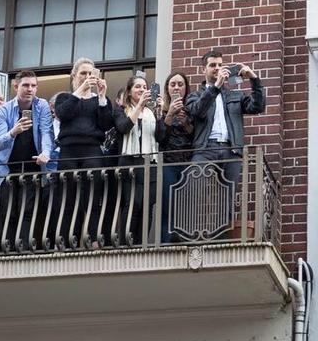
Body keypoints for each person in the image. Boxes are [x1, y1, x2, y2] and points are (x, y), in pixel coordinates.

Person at [53, 58, 115, 247]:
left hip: (92, 149)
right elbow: (64, 114)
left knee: (92, 196)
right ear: (74, 75)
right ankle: (62, 240)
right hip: (69, 150)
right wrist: (80, 91)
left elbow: (105, 125)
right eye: (83, 73)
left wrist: (103, 96)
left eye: (91, 74)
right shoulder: (65, 97)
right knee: (67, 196)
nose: (88, 77)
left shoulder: (99, 101)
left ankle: (94, 239)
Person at [184, 49, 265, 189]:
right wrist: (216, 86)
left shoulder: (235, 95)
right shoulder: (194, 96)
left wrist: (254, 79)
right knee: (194, 189)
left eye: (220, 65)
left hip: (231, 150)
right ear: (204, 69)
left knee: (228, 196)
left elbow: (257, 107)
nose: (217, 68)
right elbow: (198, 111)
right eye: (213, 65)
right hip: (205, 149)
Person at [0, 70, 54, 251]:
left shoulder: (41, 105)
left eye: (34, 86)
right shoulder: (4, 109)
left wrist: (46, 152)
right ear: (16, 86)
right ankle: (8, 250)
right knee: (8, 212)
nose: (30, 89)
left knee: (27, 211)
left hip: (32, 167)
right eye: (26, 85)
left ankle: (23, 248)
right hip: (7, 170)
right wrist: (14, 131)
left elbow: (46, 133)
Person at [112, 75, 161, 244]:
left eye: (144, 87)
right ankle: (126, 242)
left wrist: (161, 113)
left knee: (147, 206)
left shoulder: (152, 112)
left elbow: (161, 136)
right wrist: (139, 106)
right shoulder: (121, 109)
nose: (141, 89)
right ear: (130, 91)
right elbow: (123, 127)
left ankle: (142, 243)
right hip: (130, 162)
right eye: (137, 87)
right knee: (133, 204)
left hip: (149, 163)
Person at [156, 72, 194, 242]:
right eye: (173, 84)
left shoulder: (192, 109)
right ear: (167, 89)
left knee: (186, 206)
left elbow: (197, 138)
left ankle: (184, 241)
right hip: (168, 163)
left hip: (188, 162)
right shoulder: (161, 110)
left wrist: (186, 122)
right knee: (167, 205)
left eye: (180, 84)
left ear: (186, 88)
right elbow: (160, 138)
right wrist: (169, 115)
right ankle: (166, 244)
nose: (176, 87)